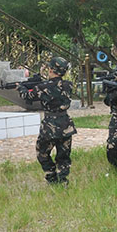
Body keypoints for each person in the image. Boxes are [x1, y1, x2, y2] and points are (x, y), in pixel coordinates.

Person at [17, 56, 76, 185]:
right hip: (66, 124)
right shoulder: (68, 85)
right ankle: (63, 179)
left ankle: (51, 176)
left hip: (50, 125)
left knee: (42, 152)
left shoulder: (43, 87)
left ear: (50, 69)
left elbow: (27, 96)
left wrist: (20, 87)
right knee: (63, 155)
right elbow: (55, 86)